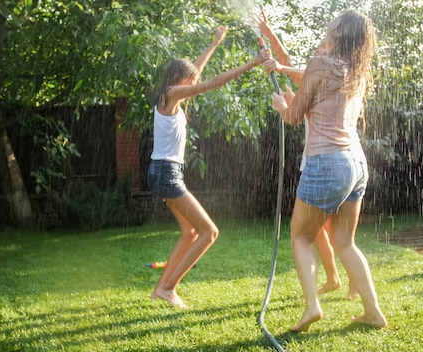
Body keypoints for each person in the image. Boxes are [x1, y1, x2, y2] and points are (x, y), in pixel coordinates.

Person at [269, 10, 387, 332]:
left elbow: (293, 116)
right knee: (345, 242)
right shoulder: (357, 72)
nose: (328, 27)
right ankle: (373, 312)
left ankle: (311, 307)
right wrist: (283, 72)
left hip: (326, 163)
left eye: (332, 25)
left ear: (339, 32)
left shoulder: (320, 64)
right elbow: (317, 101)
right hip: (356, 164)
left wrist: (282, 105)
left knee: (301, 236)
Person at [148, 26, 269, 309]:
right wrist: (253, 62)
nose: (195, 82)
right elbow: (209, 83)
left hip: (162, 171)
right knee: (209, 232)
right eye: (190, 80)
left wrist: (215, 44)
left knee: (190, 232)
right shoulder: (173, 93)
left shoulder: (170, 93)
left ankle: (161, 289)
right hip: (166, 172)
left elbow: (199, 74)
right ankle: (168, 288)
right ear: (180, 79)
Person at [254, 11, 357, 298]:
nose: (315, 52)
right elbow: (289, 63)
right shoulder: (326, 73)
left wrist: (283, 78)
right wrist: (268, 31)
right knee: (323, 228)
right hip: (324, 159)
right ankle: (336, 277)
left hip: (329, 159)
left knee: (334, 232)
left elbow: (292, 68)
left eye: (320, 49)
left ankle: (349, 280)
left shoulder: (330, 72)